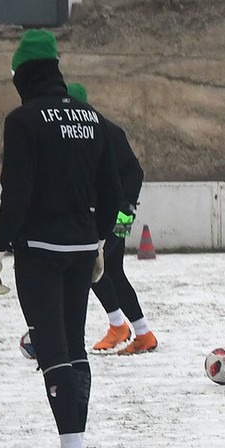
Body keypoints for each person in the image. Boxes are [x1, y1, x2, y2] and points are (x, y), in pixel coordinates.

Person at [0, 29, 121, 448]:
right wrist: (98, 241)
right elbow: (112, 190)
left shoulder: (22, 120)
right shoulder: (92, 118)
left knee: (53, 349)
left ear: (23, 74)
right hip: (82, 248)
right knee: (74, 344)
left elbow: (16, 192)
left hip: (40, 250)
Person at [64, 82, 160, 357]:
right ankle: (124, 327)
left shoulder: (107, 131)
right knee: (101, 269)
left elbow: (134, 172)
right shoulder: (77, 134)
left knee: (103, 268)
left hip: (115, 214)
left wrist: (125, 209)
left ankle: (139, 332)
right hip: (94, 214)